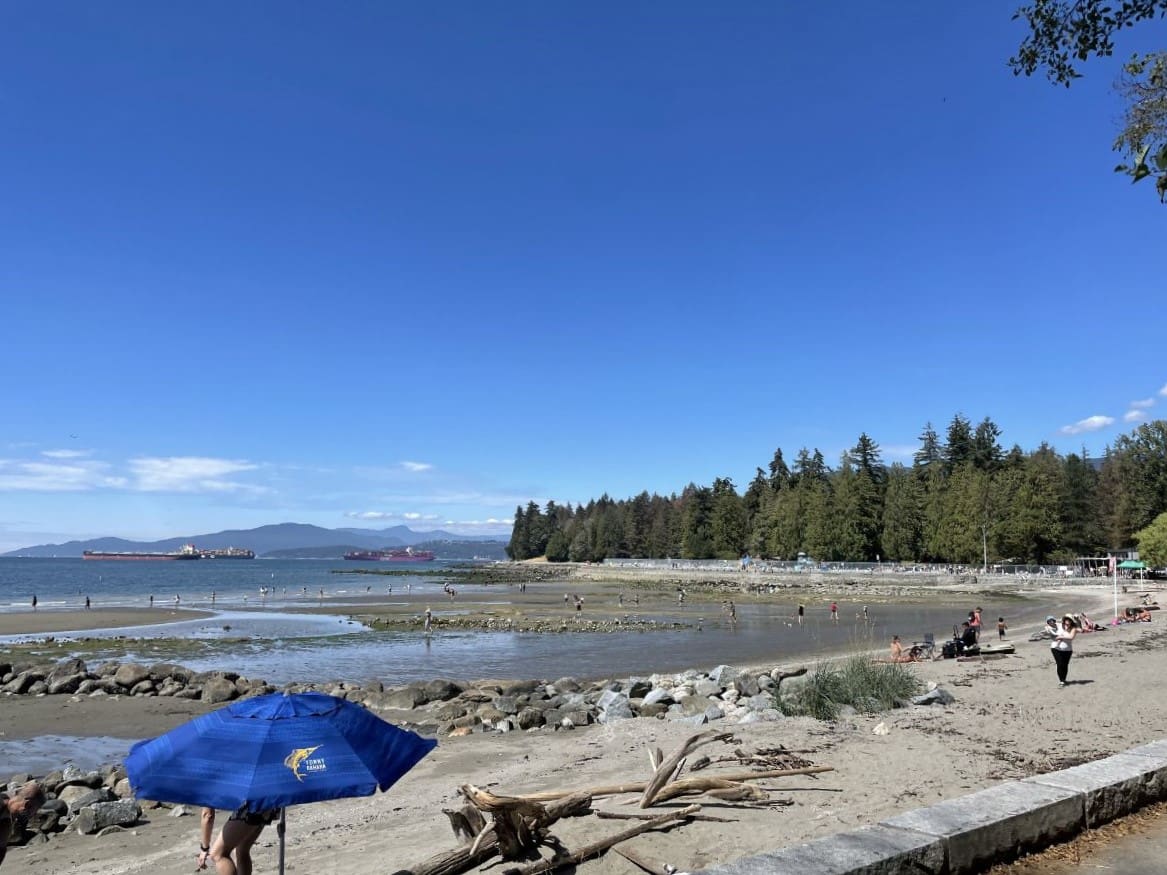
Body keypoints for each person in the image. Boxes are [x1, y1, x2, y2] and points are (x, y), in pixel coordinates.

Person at [205, 805, 279, 875]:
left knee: (218, 854)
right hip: (265, 801)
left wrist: (204, 848)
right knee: (241, 849)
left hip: (251, 804)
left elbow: (207, 815)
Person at [1051, 614, 1079, 687]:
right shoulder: (1059, 625)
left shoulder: (1073, 628)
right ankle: (1061, 681)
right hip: (1056, 648)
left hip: (1067, 650)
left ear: (1071, 621)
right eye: (1066, 619)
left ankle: (1064, 679)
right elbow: (1050, 623)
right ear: (1064, 619)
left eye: (1069, 619)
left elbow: (1071, 637)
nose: (1068, 621)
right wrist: (1048, 624)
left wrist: (1061, 636)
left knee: (1065, 665)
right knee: (1059, 664)